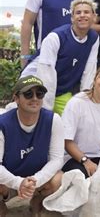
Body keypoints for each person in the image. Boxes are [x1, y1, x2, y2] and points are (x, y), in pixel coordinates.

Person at [21, 0, 99, 114]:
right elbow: (46, 74)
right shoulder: (56, 37)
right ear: (72, 18)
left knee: (75, 120)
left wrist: (85, 102)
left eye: (86, 12)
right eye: (78, 12)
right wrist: (46, 110)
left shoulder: (94, 38)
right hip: (35, 86)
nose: (82, 15)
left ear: (94, 17)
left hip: (62, 90)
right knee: (41, 123)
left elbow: (89, 71)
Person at [0, 76, 63, 215]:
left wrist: (36, 180)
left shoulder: (53, 120)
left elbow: (57, 158)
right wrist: (19, 183)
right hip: (8, 181)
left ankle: (37, 201)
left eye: (39, 94)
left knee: (59, 179)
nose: (34, 98)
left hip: (36, 179)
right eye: (28, 94)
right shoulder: (2, 124)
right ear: (16, 98)